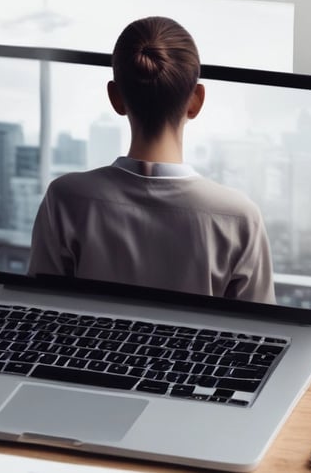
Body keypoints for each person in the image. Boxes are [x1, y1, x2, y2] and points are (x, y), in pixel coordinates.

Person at [28, 16, 275, 303]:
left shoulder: (65, 199)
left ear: (116, 98)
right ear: (196, 100)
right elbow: (259, 334)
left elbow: (38, 312)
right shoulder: (239, 217)